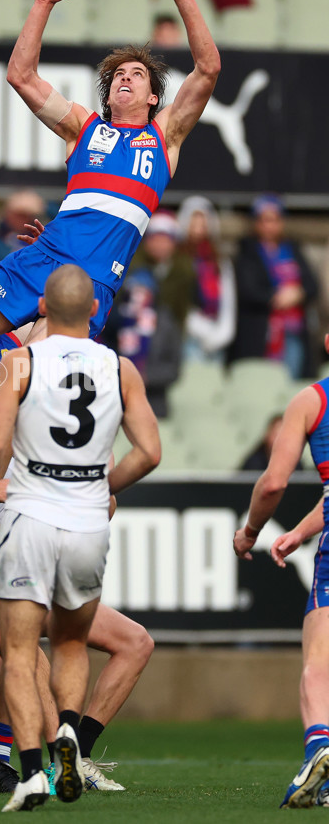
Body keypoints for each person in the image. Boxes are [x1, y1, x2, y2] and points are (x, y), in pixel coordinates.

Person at [0, 0, 220, 347]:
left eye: (137, 74)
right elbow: (21, 75)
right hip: (41, 256)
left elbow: (208, 70)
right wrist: (43, 3)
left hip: (89, 280)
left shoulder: (165, 135)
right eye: (119, 73)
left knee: (33, 375)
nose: (125, 77)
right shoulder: (83, 128)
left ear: (154, 97)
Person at [0, 265, 161, 811]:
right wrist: (102, 486)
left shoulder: (19, 362)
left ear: (43, 311)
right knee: (73, 642)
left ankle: (31, 771)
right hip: (87, 524)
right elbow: (149, 452)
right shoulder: (121, 367)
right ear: (95, 312)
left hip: (30, 515)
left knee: (22, 652)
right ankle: (71, 731)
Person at [232, 338, 329, 808]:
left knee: (318, 664)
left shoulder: (312, 400)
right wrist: (303, 531)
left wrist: (252, 529)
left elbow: (273, 482)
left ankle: (320, 753)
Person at [104, 210, 195, 417]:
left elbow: (173, 367)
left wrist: (146, 376)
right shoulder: (120, 319)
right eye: (156, 238)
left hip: (155, 398)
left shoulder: (184, 271)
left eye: (166, 239)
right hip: (117, 396)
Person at [228, 194, 318, 381]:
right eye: (265, 220)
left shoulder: (293, 248)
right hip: (262, 334)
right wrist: (276, 297)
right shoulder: (246, 251)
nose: (270, 225)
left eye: (275, 219)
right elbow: (247, 289)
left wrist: (298, 294)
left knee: (292, 385)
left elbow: (312, 284)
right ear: (256, 222)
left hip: (293, 331)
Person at [177, 195, 236, 364]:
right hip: (188, 337)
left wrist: (222, 334)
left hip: (217, 338)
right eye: (193, 222)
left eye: (203, 223)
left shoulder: (219, 260)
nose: (198, 228)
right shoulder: (179, 257)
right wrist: (200, 328)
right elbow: (178, 301)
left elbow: (229, 300)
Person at [0, 189, 46, 265]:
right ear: (8, 213)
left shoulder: (41, 237)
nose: (23, 219)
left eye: (28, 215)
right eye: (19, 214)